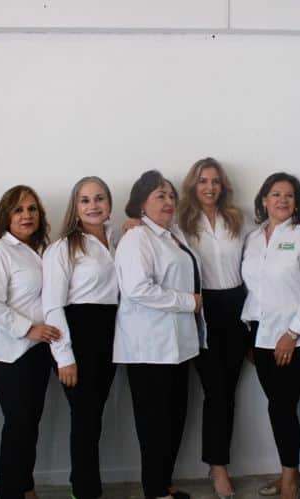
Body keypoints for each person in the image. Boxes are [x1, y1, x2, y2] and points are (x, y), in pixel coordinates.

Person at [113, 170, 204, 499]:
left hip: (178, 346)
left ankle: (163, 483)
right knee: (153, 424)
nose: (168, 201)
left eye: (171, 195)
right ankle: (154, 490)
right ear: (141, 203)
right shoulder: (137, 238)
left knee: (174, 419)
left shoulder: (173, 234)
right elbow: (138, 289)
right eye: (159, 195)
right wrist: (188, 302)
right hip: (149, 348)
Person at [241, 172, 300, 499]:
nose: (282, 200)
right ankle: (290, 471)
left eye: (289, 195)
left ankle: (290, 478)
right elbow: (254, 290)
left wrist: (292, 333)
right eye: (276, 194)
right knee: (278, 407)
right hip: (261, 335)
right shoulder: (252, 239)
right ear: (264, 200)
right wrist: (251, 336)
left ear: (296, 202)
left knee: (283, 407)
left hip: (297, 337)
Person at [42, 176, 119, 499]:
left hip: (110, 337)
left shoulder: (119, 240)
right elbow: (52, 306)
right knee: (85, 417)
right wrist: (65, 357)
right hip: (78, 337)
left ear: (109, 204)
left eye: (99, 198)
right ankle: (85, 490)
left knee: (93, 415)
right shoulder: (63, 248)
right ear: (75, 207)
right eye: (85, 200)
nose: (93, 206)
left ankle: (83, 481)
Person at [176, 158, 248, 499]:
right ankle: (218, 467)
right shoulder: (180, 222)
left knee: (228, 392)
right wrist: (131, 221)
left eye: (215, 181)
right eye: (203, 181)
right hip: (202, 308)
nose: (210, 187)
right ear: (193, 185)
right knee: (215, 391)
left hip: (237, 306)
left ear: (223, 186)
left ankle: (217, 462)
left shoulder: (238, 219)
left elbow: (265, 244)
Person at [0, 185, 57, 499]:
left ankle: (26, 488)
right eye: (18, 210)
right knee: (18, 425)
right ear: (6, 216)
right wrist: (28, 329)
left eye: (32, 209)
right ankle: (13, 492)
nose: (27, 215)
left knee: (29, 425)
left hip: (37, 352)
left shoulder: (41, 250)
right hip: (9, 353)